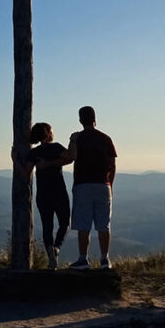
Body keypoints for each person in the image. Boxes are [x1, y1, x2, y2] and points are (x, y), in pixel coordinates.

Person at [59, 106, 117, 270]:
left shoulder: (78, 138)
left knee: (84, 225)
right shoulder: (105, 138)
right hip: (102, 185)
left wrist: (72, 140)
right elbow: (112, 165)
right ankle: (105, 259)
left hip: (83, 185)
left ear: (80, 120)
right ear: (94, 119)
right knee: (103, 224)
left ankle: (83, 259)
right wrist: (109, 184)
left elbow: (71, 157)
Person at [27, 122, 70, 270]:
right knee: (64, 222)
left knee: (47, 226)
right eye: (52, 130)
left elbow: (25, 173)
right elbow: (70, 157)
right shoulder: (56, 147)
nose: (53, 132)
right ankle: (56, 248)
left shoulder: (35, 152)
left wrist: (14, 159)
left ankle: (51, 253)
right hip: (59, 191)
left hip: (43, 194)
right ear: (48, 133)